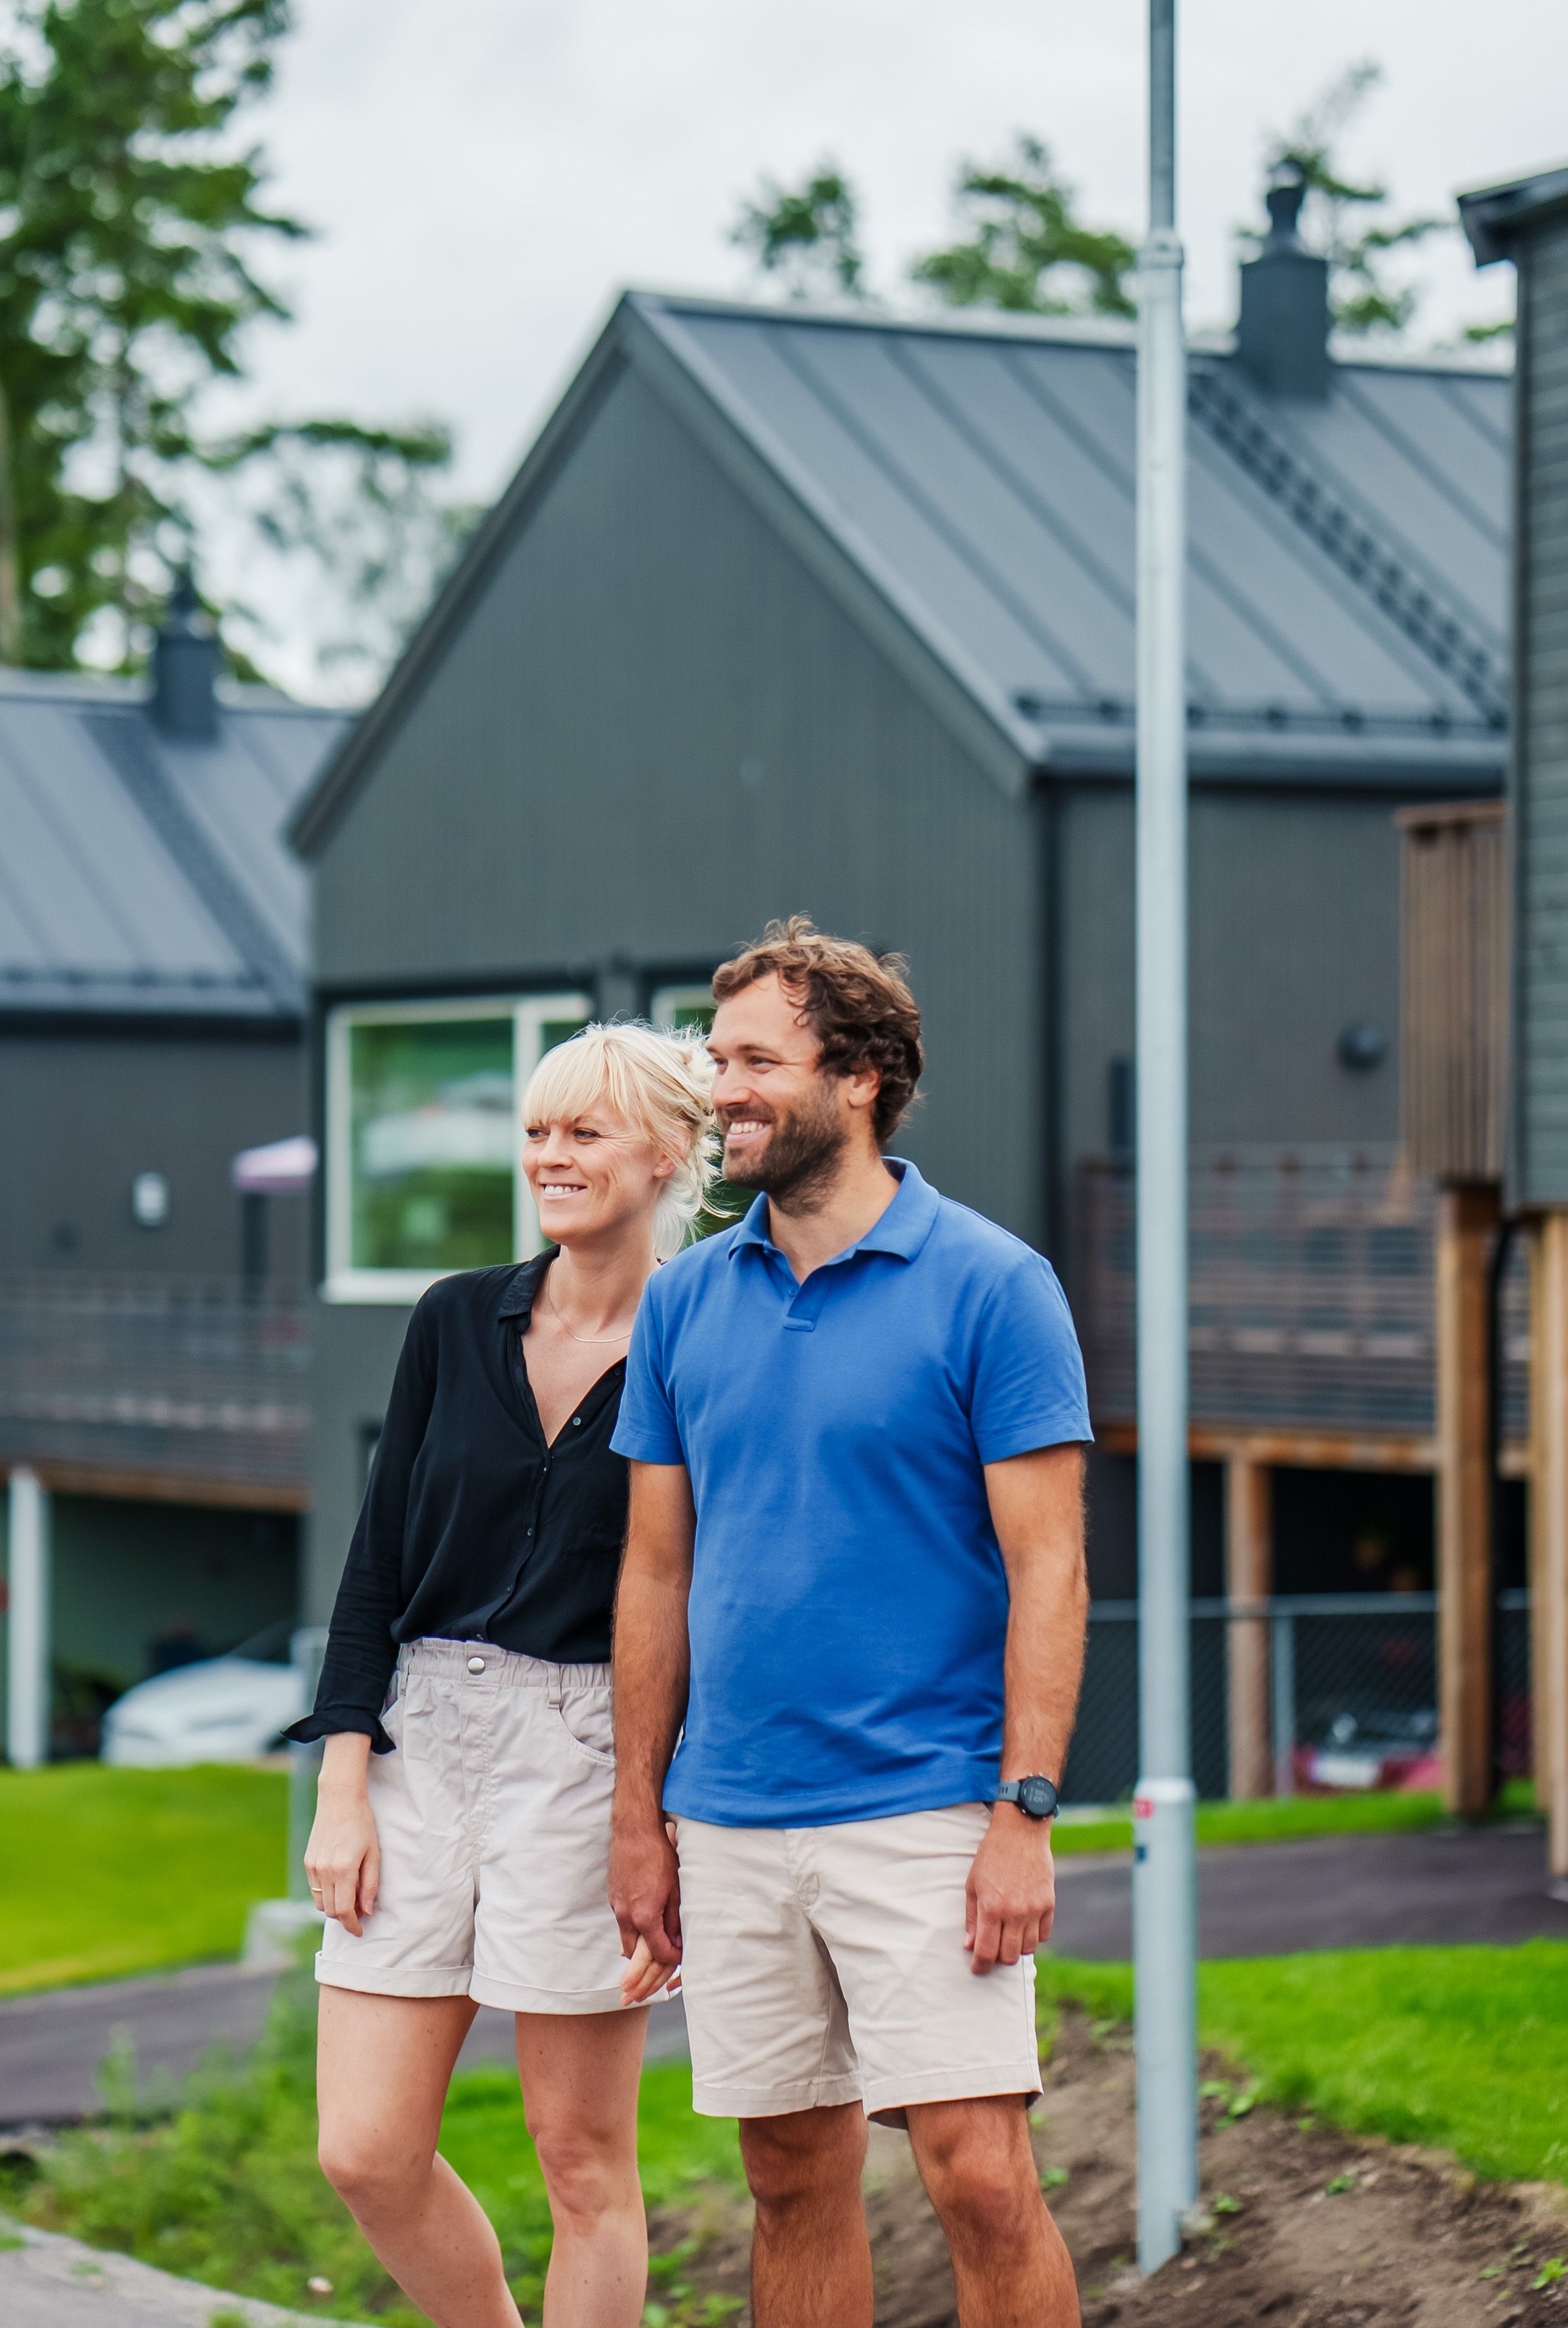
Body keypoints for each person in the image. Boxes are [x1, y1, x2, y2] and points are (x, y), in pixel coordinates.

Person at [610, 921, 1092, 2328]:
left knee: (979, 2174)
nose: (722, 1091)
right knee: (788, 2180)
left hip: (929, 1805)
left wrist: (1025, 1810)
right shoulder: (687, 1295)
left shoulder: (993, 1285)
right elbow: (653, 1573)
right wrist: (640, 1813)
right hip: (735, 1814)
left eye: (757, 1060)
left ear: (863, 1077)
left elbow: (1049, 1570)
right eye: (717, 1060)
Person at [292, 1022, 716, 2328]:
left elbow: (704, 1597)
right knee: (363, 2149)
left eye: (584, 1132)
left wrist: (665, 1814)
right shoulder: (451, 1320)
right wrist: (343, 1779)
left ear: (664, 1155)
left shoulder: (704, 1338)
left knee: (582, 2162)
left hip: (593, 1751)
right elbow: (375, 1565)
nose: (551, 1156)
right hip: (423, 1732)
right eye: (537, 1131)